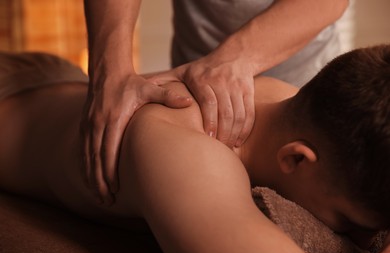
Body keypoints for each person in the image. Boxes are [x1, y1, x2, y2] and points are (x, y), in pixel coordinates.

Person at [0, 45, 389, 253]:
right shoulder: (186, 150)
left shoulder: (292, 105)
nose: (357, 241)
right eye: (347, 220)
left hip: (56, 81)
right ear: (296, 159)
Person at [82, 0, 351, 203]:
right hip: (196, 77)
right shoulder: (184, 148)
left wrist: (231, 60)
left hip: (302, 79)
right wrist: (110, 72)